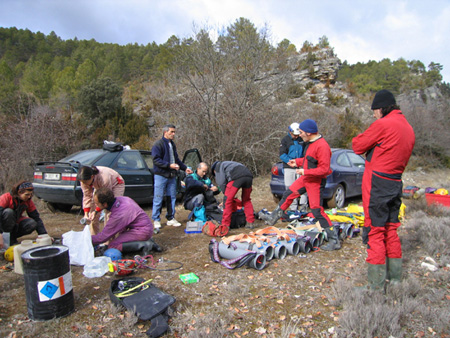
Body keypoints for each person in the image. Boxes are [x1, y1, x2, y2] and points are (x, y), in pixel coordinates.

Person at [352, 89, 415, 290]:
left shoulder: (383, 124)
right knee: (391, 229)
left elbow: (357, 145)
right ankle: (395, 280)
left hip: (377, 184)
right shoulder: (408, 128)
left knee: (375, 232)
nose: (373, 114)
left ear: (381, 108)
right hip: (396, 183)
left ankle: (375, 287)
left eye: (374, 110)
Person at [265, 119, 340, 251]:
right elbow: (308, 159)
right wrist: (297, 162)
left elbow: (324, 169)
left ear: (309, 133)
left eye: (301, 132)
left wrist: (305, 171)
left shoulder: (322, 146)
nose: (299, 135)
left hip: (315, 182)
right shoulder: (310, 142)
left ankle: (334, 240)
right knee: (289, 194)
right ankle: (273, 217)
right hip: (306, 178)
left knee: (316, 211)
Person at [151, 124, 193, 232]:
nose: (173, 134)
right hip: (161, 175)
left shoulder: (172, 144)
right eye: (171, 132)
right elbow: (156, 160)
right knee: (158, 197)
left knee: (171, 197)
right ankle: (156, 219)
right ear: (165, 132)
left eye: (174, 132)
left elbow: (176, 159)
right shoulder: (158, 144)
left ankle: (171, 217)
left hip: (172, 176)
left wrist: (185, 168)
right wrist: (169, 165)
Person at [91, 187, 157, 255]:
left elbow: (102, 238)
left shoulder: (118, 215)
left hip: (143, 231)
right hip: (146, 226)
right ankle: (147, 241)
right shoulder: (123, 199)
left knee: (112, 245)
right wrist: (96, 211)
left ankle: (144, 245)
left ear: (105, 204)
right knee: (119, 237)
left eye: (97, 203)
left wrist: (87, 239)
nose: (96, 205)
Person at [77, 165, 125, 235]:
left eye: (85, 181)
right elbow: (87, 195)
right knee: (92, 213)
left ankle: (108, 239)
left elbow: (106, 198)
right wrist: (86, 214)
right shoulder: (84, 180)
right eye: (82, 182)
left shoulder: (104, 178)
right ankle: (94, 238)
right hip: (99, 186)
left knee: (110, 211)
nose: (83, 183)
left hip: (115, 184)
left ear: (92, 176)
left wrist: (97, 211)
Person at [0, 181, 49, 248]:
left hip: (14, 223)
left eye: (31, 194)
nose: (29, 197)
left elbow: (36, 218)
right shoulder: (6, 197)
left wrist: (44, 235)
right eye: (27, 194)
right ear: (19, 192)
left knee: (31, 224)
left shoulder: (28, 201)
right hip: (2, 225)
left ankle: (11, 239)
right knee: (9, 212)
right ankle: (5, 239)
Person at [211, 161, 255, 233]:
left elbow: (221, 182)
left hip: (237, 177)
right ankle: (250, 222)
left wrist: (226, 194)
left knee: (227, 201)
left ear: (214, 171)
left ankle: (225, 225)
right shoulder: (229, 163)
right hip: (249, 176)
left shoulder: (218, 167)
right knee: (246, 200)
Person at [279, 122, 307, 211]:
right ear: (290, 132)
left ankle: (303, 207)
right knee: (290, 188)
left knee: (303, 187)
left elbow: (305, 152)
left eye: (297, 135)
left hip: (300, 166)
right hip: (289, 167)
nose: (296, 136)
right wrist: (289, 161)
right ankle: (293, 208)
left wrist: (301, 162)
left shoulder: (301, 140)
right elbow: (282, 154)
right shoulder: (285, 140)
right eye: (295, 135)